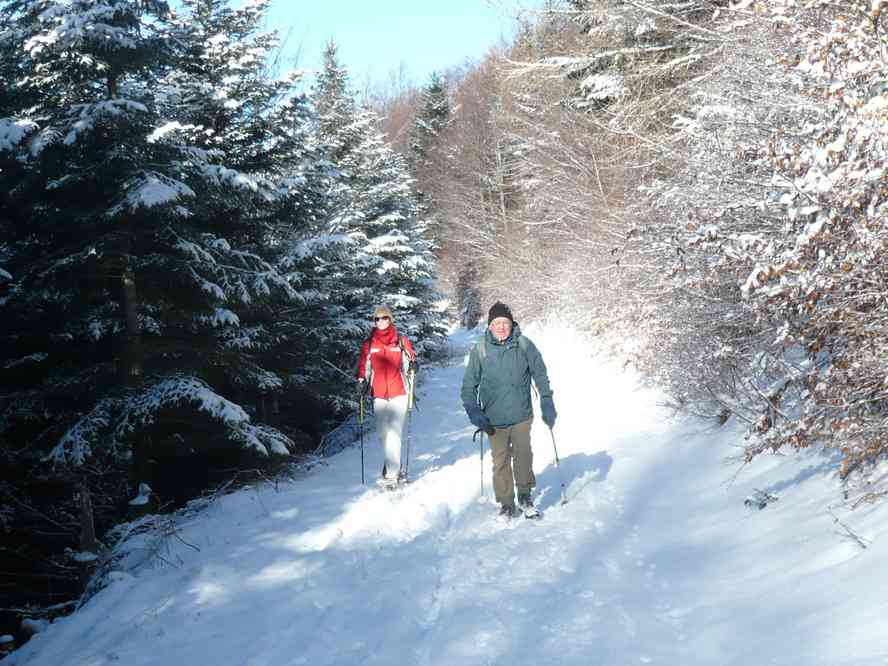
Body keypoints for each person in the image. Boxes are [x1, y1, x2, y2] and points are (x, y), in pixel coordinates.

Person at [461, 302, 556, 517]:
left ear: (512, 324)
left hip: (521, 414)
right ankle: (506, 502)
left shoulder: (524, 345)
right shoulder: (481, 349)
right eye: (497, 323)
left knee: (523, 455)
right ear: (490, 326)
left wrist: (547, 400)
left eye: (505, 323)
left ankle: (524, 494)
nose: (501, 327)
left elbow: (540, 373)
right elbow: (468, 387)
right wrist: (473, 411)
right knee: (500, 460)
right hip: (493, 418)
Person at [357, 305, 417, 487]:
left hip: (399, 392)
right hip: (380, 394)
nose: (381, 321)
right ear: (374, 322)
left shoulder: (400, 340)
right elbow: (363, 367)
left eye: (384, 318)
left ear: (390, 320)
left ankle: (392, 474)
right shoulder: (368, 344)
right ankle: (391, 461)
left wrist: (414, 366)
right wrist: (361, 381)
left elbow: (410, 360)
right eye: (377, 319)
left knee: (394, 433)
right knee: (383, 434)